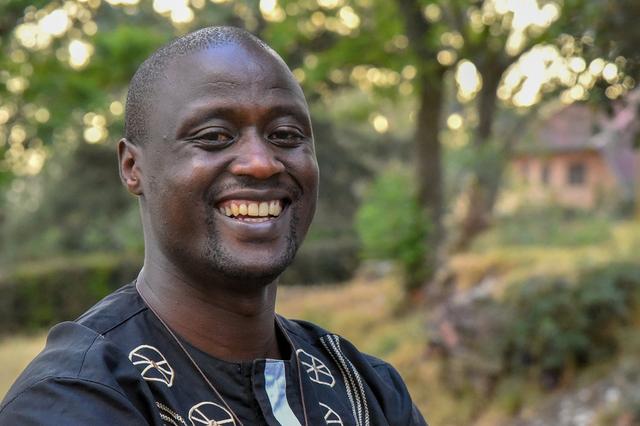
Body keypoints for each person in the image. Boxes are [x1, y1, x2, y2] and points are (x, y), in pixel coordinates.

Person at [0, 27, 427, 426]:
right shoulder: (76, 399)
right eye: (214, 136)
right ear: (133, 167)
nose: (261, 163)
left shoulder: (368, 391)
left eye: (285, 134)